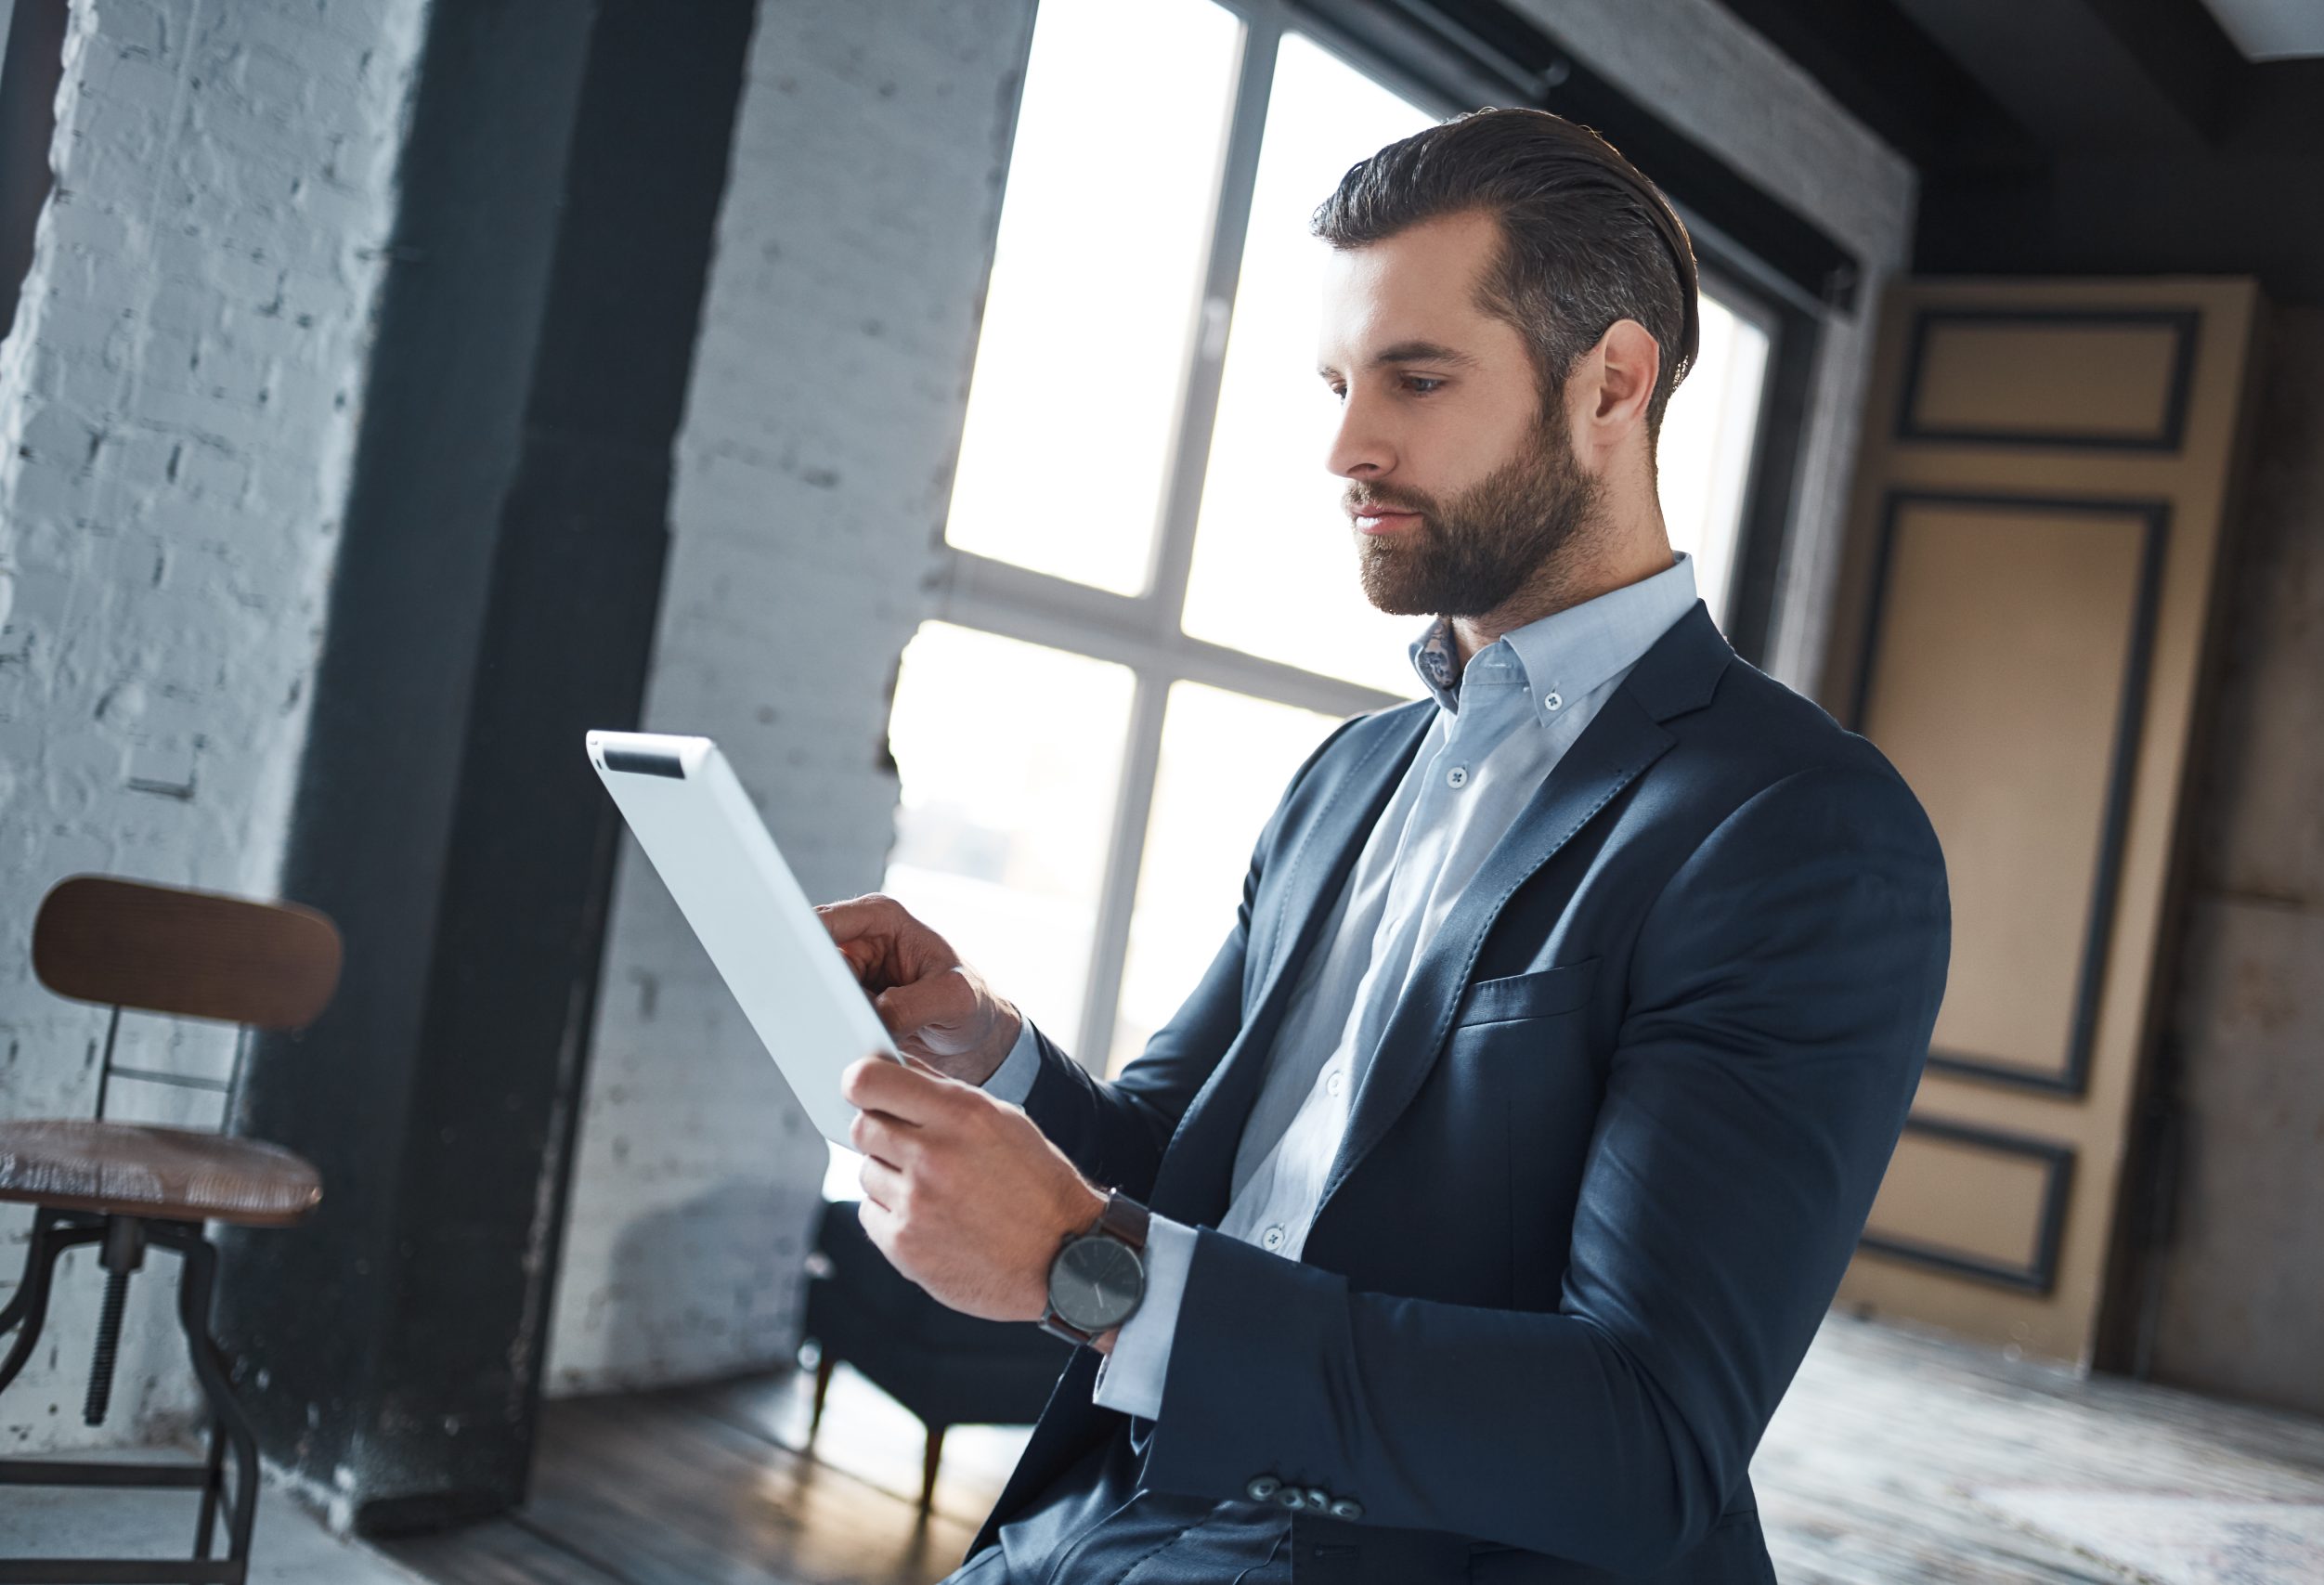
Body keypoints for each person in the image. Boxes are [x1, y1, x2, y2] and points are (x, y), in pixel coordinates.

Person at [818, 107, 1951, 1584]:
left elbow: (1645, 1440)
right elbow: (1185, 1170)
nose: (1348, 446)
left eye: (1417, 379)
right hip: (1118, 1512)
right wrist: (984, 1042)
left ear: (1612, 383)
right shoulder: (1348, 776)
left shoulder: (1796, 831)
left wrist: (1089, 1272)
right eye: (1340, 383)